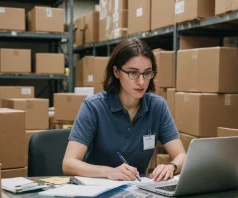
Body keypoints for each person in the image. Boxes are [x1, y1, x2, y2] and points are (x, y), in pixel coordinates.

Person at [63, 38, 186, 182]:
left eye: (147, 73)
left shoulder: (157, 106)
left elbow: (182, 156)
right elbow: (68, 164)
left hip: (136, 190)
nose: (141, 81)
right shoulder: (93, 106)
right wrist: (109, 172)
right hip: (97, 190)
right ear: (116, 72)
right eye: (133, 73)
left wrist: (171, 167)